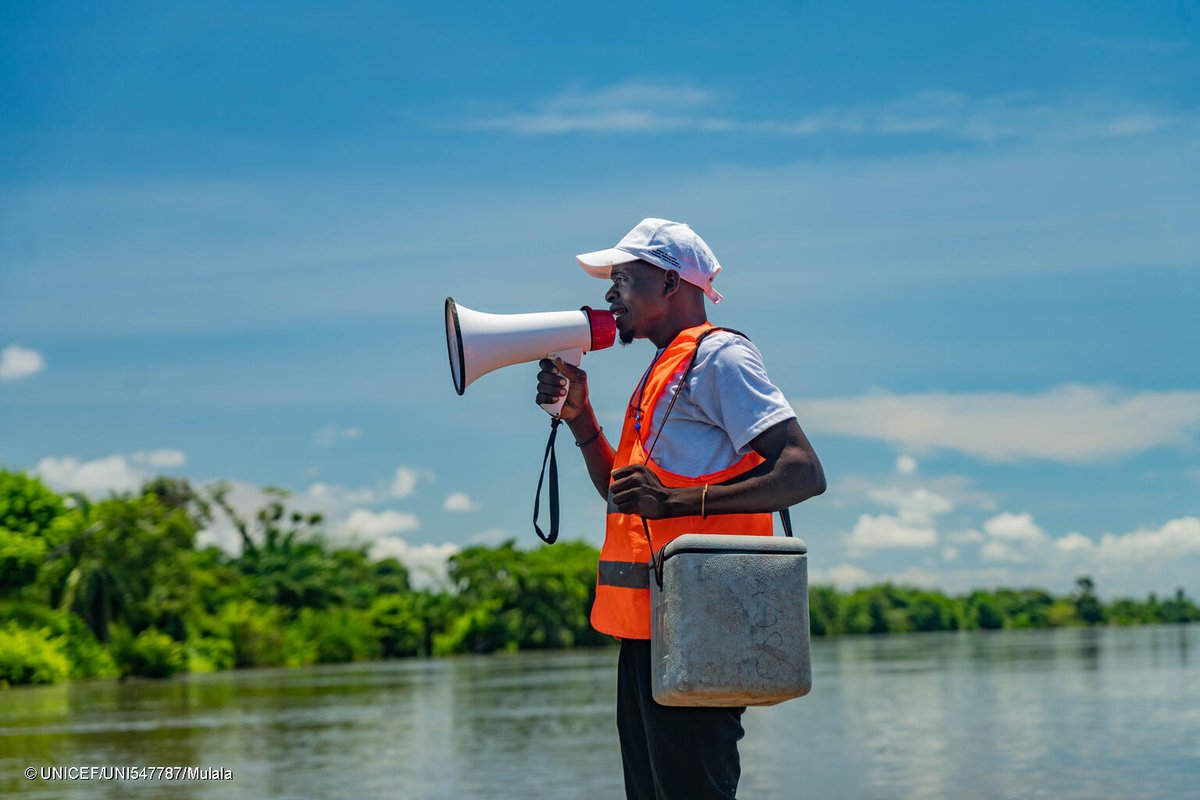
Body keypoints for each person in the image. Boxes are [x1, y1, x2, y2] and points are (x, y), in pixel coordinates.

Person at [534, 218, 826, 799]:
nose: (609, 293)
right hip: (650, 632)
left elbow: (802, 470)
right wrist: (580, 418)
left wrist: (677, 502)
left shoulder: (719, 357)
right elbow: (626, 499)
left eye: (622, 278)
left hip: (702, 629)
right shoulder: (662, 368)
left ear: (670, 283)